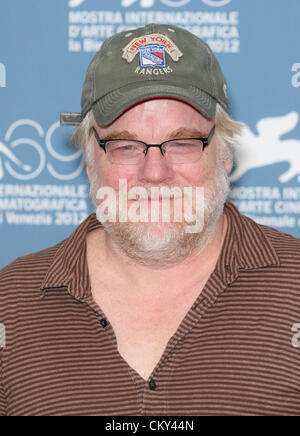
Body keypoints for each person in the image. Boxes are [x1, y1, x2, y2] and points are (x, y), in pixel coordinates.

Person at [1, 23, 300, 417]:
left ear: (224, 154)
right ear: (91, 159)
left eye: (182, 143)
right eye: (126, 146)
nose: (155, 172)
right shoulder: (11, 303)